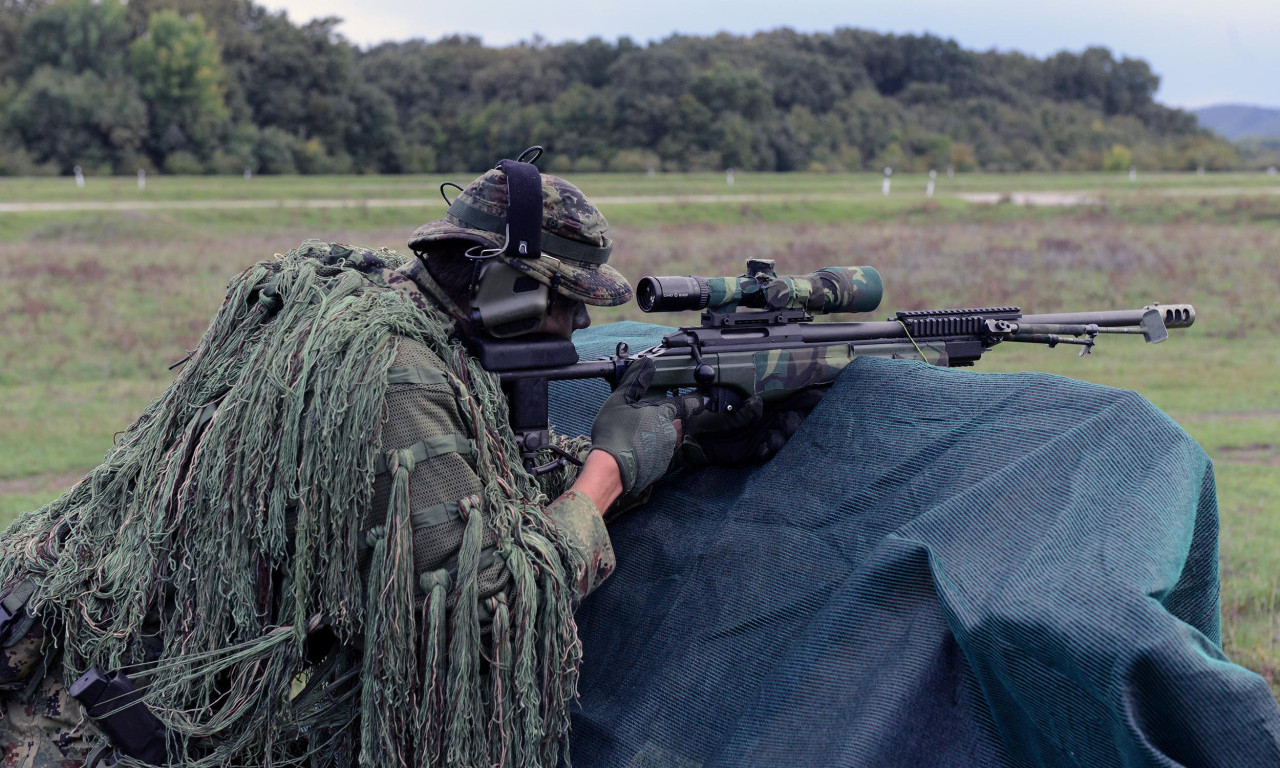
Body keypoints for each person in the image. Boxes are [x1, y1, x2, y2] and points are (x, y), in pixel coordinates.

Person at [0, 151, 795, 767]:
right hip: (83, 719)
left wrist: (674, 436)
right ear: (504, 287)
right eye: (566, 299)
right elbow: (474, 609)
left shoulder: (375, 300)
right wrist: (605, 475)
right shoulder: (390, 370)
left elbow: (456, 484)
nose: (578, 323)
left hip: (69, 643)